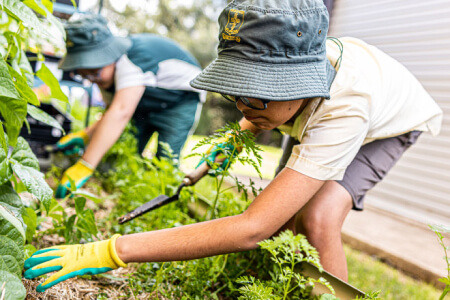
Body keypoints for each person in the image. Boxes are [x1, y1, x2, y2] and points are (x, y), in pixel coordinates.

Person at [25, 0, 442, 292]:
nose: (243, 106)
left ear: (297, 84)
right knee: (285, 218)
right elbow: (264, 110)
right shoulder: (278, 98)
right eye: (235, 92)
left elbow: (250, 228)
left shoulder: (347, 108)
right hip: (322, 107)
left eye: (257, 93)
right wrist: (233, 140)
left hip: (389, 123)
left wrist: (114, 250)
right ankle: (291, 286)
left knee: (316, 218)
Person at [55, 14, 205, 198]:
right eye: (85, 75)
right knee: (129, 155)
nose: (92, 79)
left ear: (109, 55)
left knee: (165, 160)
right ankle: (130, 196)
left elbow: (121, 112)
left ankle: (167, 202)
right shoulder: (106, 78)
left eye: (94, 71)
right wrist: (86, 135)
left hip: (179, 101)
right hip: (145, 104)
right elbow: (112, 113)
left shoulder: (131, 60)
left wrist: (85, 165)